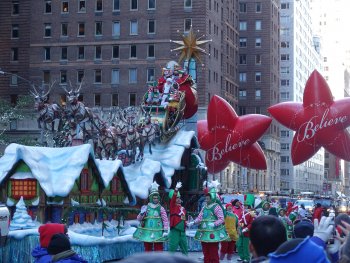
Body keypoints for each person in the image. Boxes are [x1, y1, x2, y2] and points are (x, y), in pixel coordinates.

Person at [189, 184, 228, 263]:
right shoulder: (204, 207)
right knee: (205, 252)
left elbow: (221, 218)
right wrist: (193, 222)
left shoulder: (216, 207)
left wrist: (215, 224)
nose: (206, 200)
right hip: (204, 232)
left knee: (213, 252)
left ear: (212, 198)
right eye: (206, 198)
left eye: (208, 198)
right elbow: (200, 217)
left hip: (213, 233)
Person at [133, 182, 169, 252]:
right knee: (147, 247)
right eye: (154, 198)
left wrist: (165, 230)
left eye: (157, 198)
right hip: (147, 231)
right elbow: (139, 219)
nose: (155, 199)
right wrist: (141, 213)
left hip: (158, 231)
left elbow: (165, 220)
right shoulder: (145, 208)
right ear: (151, 198)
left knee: (158, 247)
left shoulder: (161, 208)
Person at [168, 182, 188, 255]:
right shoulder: (172, 207)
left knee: (185, 250)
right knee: (172, 251)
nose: (178, 199)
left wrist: (186, 223)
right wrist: (176, 190)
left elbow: (183, 219)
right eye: (177, 198)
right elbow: (173, 199)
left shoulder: (183, 209)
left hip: (182, 232)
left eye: (179, 198)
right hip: (175, 232)